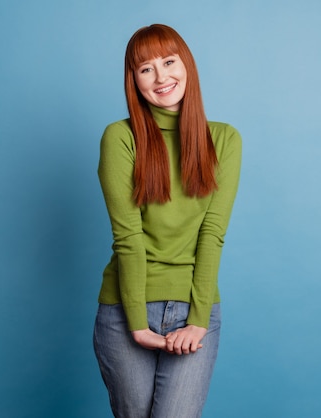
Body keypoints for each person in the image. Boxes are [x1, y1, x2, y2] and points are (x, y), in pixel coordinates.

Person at [93, 23, 242, 418]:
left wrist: (197, 321)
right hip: (126, 310)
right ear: (134, 81)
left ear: (186, 65)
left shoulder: (224, 140)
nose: (161, 77)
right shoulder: (120, 138)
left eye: (169, 61)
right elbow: (128, 237)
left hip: (195, 309)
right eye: (145, 69)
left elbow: (212, 234)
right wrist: (138, 323)